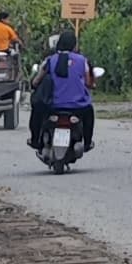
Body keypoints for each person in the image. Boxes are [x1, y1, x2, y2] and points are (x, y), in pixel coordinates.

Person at [30, 28, 96, 166]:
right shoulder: (82, 60)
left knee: (37, 112)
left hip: (53, 106)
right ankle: (88, 142)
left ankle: (35, 140)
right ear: (74, 45)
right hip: (79, 106)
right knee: (89, 113)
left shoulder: (50, 60)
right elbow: (89, 82)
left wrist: (34, 84)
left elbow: (36, 81)